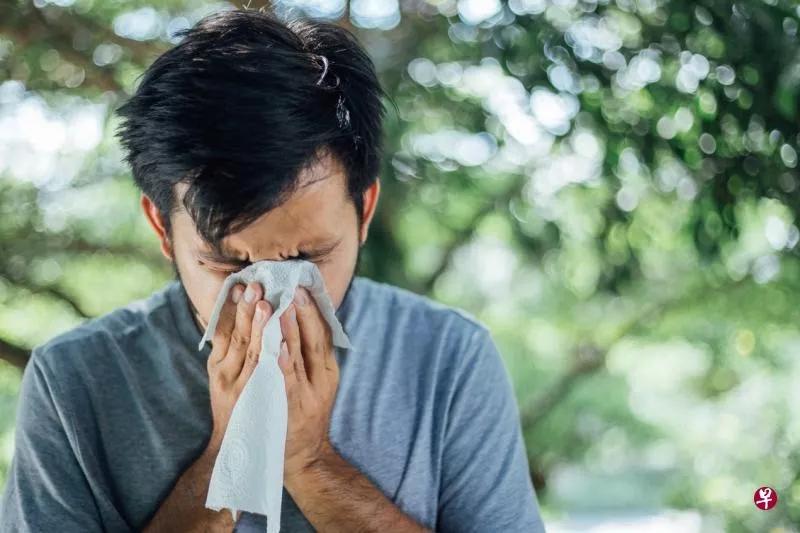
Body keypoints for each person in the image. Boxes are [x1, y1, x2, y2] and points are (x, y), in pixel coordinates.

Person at [0, 9, 546, 532]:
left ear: (364, 212)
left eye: (308, 259)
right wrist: (231, 458)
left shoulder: (449, 358)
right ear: (162, 228)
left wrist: (310, 461)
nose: (268, 299)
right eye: (229, 264)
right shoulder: (73, 381)